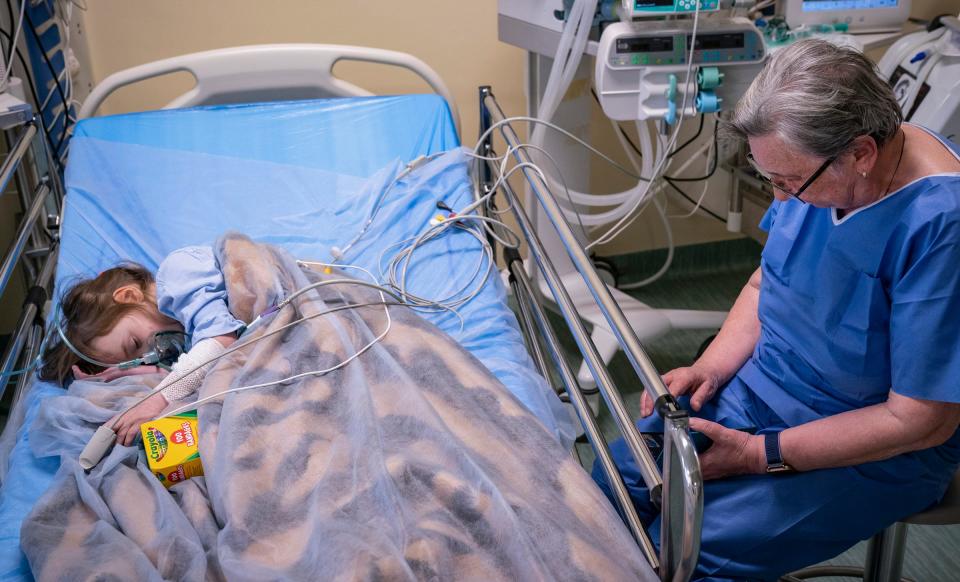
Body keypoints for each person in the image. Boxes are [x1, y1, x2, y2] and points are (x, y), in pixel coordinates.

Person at [594, 39, 960, 580]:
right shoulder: (819, 172)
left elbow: (918, 421)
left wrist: (756, 454)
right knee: (618, 482)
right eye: (771, 181)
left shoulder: (940, 227)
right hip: (762, 386)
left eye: (789, 183)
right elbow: (767, 284)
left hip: (875, 444)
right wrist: (711, 368)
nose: (781, 200)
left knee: (689, 553)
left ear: (860, 154)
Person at [41, 246, 245, 446]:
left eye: (135, 343)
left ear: (128, 296)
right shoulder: (180, 336)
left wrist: (158, 399)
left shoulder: (179, 273)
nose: (153, 353)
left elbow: (222, 340)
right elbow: (196, 367)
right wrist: (134, 370)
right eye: (137, 357)